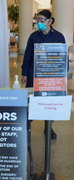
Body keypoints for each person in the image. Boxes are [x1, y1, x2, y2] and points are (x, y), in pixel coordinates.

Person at [21, 10, 66, 139]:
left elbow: (62, 57)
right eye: (37, 20)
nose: (39, 23)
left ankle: (48, 126)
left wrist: (62, 75)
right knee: (32, 101)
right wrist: (24, 73)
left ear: (50, 21)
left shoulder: (59, 37)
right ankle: (27, 126)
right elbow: (27, 56)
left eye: (42, 20)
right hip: (34, 74)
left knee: (49, 102)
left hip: (51, 77)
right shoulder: (33, 36)